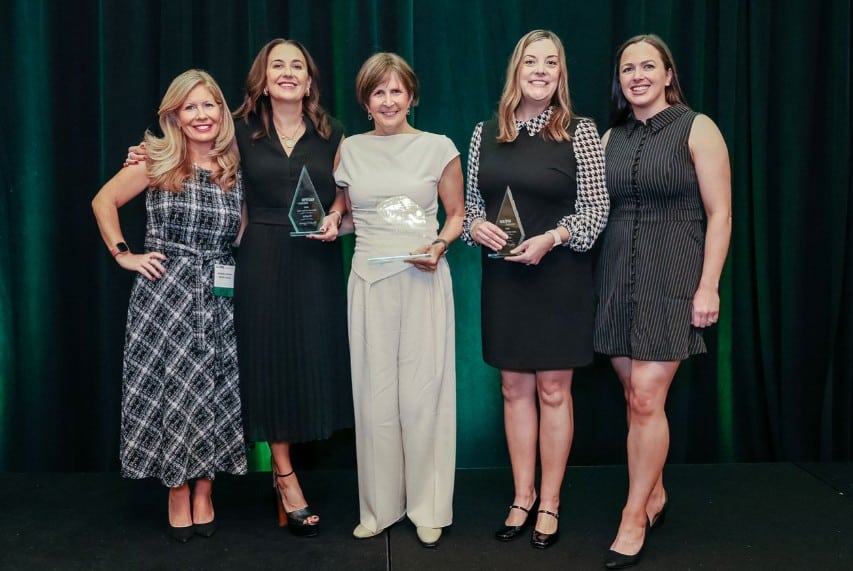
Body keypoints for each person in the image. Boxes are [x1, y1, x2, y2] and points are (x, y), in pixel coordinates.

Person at [127, 39, 352, 538]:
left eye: (297, 66)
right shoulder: (239, 132)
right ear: (263, 80)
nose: (287, 73)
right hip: (256, 262)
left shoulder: (333, 132)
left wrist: (337, 217)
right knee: (265, 365)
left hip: (314, 263)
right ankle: (285, 478)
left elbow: (346, 196)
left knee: (306, 363)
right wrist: (145, 155)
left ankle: (278, 472)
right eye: (278, 65)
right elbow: (192, 148)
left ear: (309, 81)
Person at [462, 29, 609, 550]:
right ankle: (521, 497)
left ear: (560, 73)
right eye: (531, 61)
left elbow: (596, 209)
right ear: (516, 70)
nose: (540, 70)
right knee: (513, 389)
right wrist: (475, 227)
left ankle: (550, 501)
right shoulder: (484, 132)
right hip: (504, 279)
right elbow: (470, 207)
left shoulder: (580, 131)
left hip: (558, 278)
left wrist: (552, 238)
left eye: (550, 62)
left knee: (553, 390)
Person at [593, 34, 731, 569]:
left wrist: (708, 284)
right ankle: (654, 492)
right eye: (628, 68)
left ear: (668, 74)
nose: (638, 76)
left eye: (648, 66)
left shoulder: (698, 128)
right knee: (634, 396)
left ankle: (633, 517)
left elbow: (720, 213)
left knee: (648, 397)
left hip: (672, 275)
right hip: (615, 278)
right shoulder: (611, 136)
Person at [92, 69, 247, 543]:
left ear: (221, 111)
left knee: (212, 392)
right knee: (172, 392)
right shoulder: (156, 160)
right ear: (175, 116)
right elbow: (104, 201)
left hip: (218, 296)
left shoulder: (235, 168)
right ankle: (177, 490)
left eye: (209, 105)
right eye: (190, 107)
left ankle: (205, 489)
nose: (201, 115)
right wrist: (124, 254)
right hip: (165, 297)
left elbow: (245, 230)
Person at [334, 52, 464, 548]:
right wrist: (329, 224)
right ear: (366, 102)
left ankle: (429, 507)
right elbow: (349, 216)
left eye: (396, 91)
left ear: (411, 97)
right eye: (378, 92)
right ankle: (378, 507)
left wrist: (440, 244)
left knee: (423, 396)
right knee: (374, 399)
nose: (388, 101)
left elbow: (456, 214)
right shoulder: (350, 150)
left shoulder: (438, 147)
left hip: (422, 278)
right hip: (368, 282)